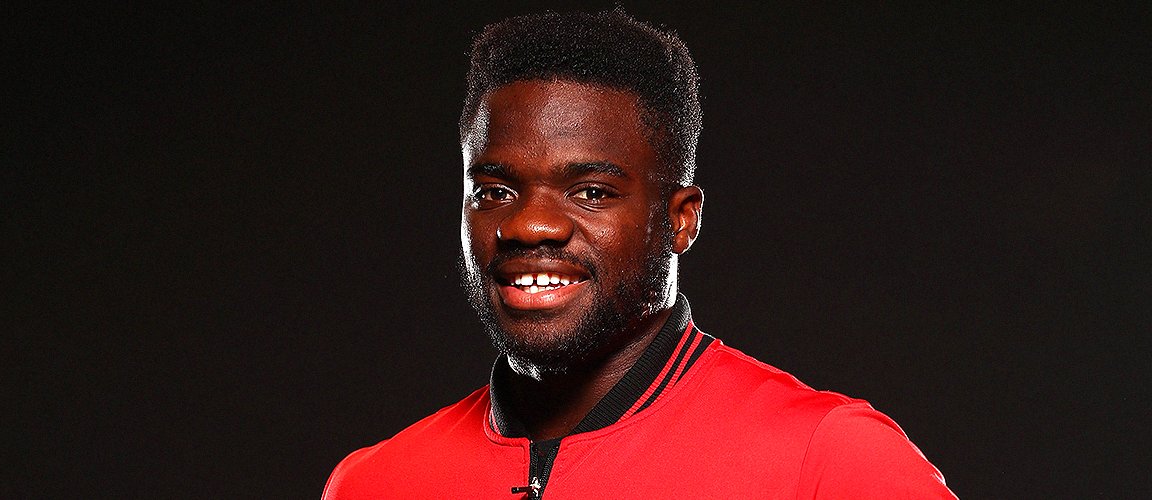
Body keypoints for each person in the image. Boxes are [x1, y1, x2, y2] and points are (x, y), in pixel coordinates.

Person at [324, 9, 955, 499]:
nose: (529, 224)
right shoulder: (372, 483)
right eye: (494, 190)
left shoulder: (829, 461)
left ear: (681, 221)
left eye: (591, 191)